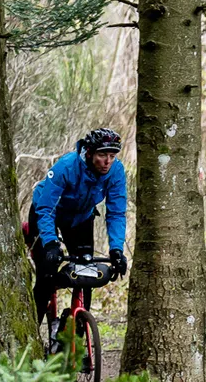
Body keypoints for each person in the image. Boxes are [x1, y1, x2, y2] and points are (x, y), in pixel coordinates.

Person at [25, 128, 129, 325]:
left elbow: (116, 212)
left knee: (86, 272)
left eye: (112, 156)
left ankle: (78, 331)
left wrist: (116, 249)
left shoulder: (116, 171)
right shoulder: (66, 167)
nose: (107, 161)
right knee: (46, 275)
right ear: (89, 153)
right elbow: (46, 208)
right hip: (46, 213)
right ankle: (32, 337)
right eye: (102, 155)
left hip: (80, 217)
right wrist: (50, 243)